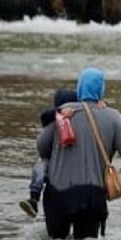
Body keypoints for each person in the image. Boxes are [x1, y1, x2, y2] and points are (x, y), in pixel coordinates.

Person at [36, 67, 121, 240]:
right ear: (101, 89)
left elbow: (42, 147)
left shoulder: (61, 114)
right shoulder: (113, 117)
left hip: (58, 195)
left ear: (80, 87)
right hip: (92, 197)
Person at [20, 87, 79, 218]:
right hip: (60, 163)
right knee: (40, 167)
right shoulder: (54, 117)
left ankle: (34, 197)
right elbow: (45, 115)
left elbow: (42, 147)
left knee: (40, 167)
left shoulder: (77, 115)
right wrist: (60, 112)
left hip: (59, 163)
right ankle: (34, 198)